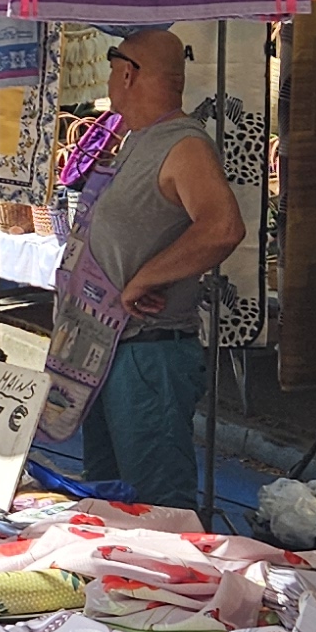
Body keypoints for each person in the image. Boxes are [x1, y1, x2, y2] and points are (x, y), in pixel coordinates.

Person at [68, 27, 246, 508]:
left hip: (148, 354)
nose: (109, 80)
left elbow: (223, 228)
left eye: (111, 69)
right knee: (105, 497)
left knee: (158, 507)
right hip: (111, 348)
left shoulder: (183, 145)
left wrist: (145, 278)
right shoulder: (138, 137)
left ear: (128, 73)